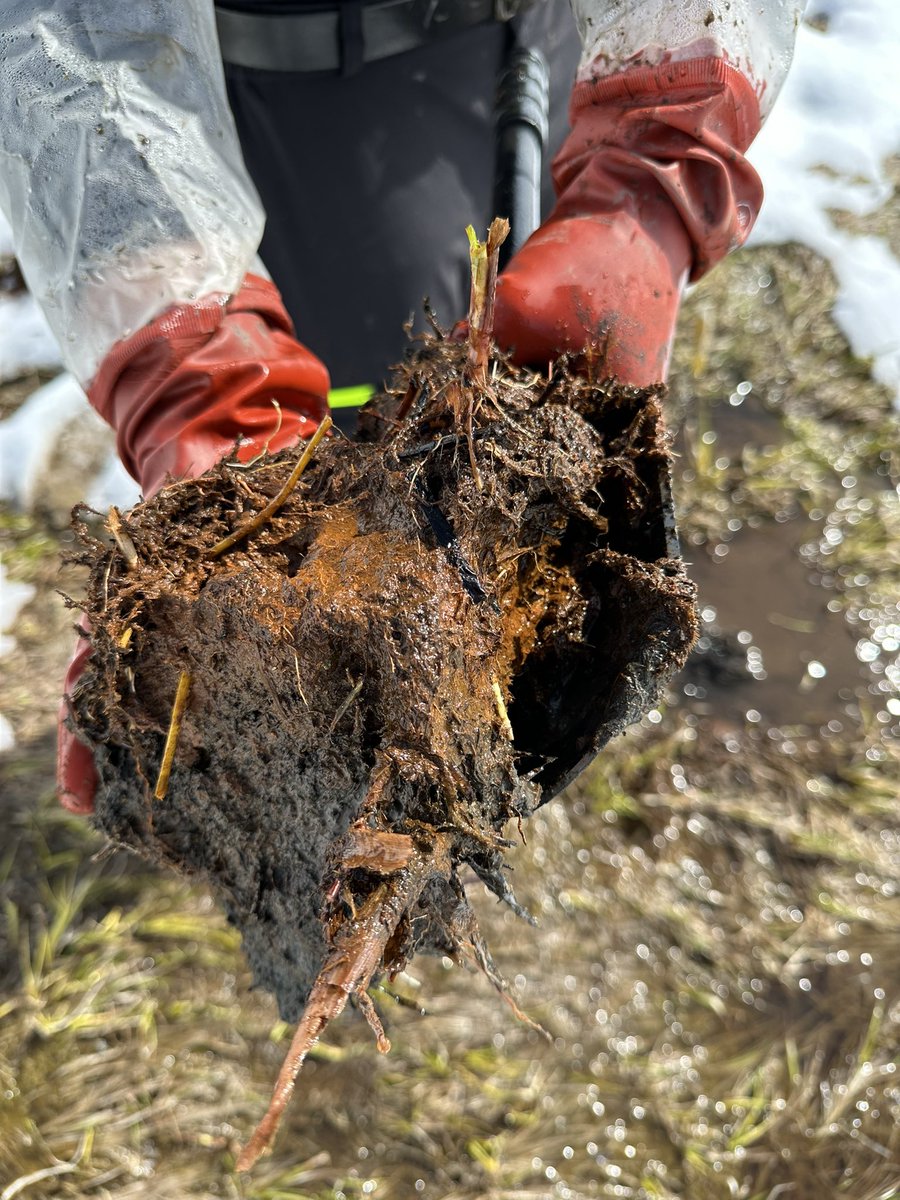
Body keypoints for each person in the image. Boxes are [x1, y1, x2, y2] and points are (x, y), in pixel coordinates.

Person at [0, 0, 804, 813]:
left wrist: (658, 143)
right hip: (220, 74)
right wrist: (189, 366)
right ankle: (343, 740)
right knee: (345, 405)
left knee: (489, 367)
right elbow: (56, 35)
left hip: (531, 35)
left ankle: (454, 733)